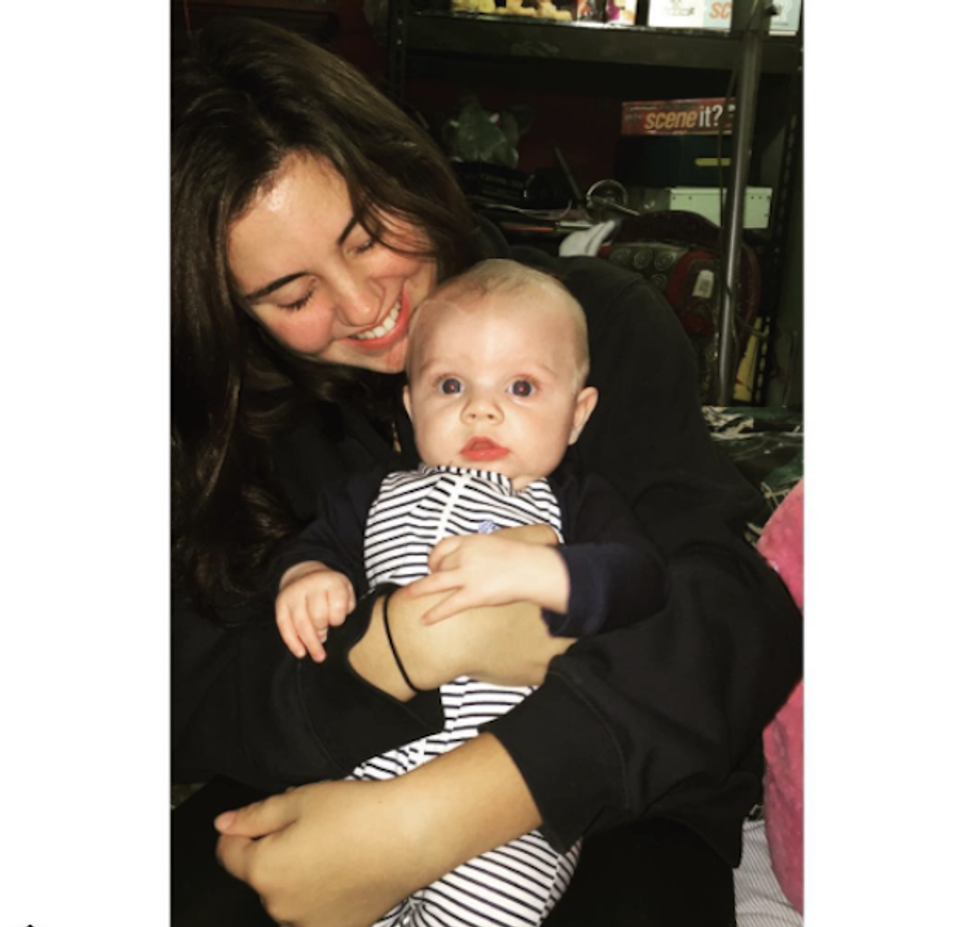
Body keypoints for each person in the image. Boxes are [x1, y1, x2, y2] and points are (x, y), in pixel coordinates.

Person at [170, 16, 803, 927]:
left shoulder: (596, 322)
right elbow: (190, 687)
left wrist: (433, 820)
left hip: (624, 798)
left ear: (401, 166)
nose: (366, 305)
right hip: (335, 772)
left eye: (366, 235)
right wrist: (403, 647)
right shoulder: (239, 423)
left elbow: (729, 616)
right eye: (294, 294)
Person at [273, 259, 667, 927]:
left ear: (577, 415)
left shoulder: (573, 503)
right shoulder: (369, 495)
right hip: (367, 769)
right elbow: (315, 544)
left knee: (484, 910)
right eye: (450, 384)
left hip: (507, 795)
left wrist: (542, 574)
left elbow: (641, 577)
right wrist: (307, 576)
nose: (481, 408)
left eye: (522, 386)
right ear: (411, 406)